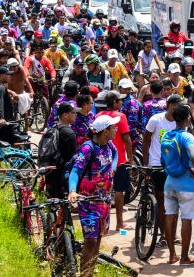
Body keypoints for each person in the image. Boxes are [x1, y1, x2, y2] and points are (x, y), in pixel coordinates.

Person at [67, 115, 119, 277]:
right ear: (105, 131)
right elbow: (76, 171)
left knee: (99, 237)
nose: (116, 129)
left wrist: (113, 169)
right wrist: (72, 191)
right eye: (113, 128)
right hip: (88, 202)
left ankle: (90, 271)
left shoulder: (109, 145)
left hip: (104, 201)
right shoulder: (88, 148)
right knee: (90, 241)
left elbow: (116, 154)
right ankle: (84, 274)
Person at [161, 103, 194, 264]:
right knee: (186, 219)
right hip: (186, 184)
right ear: (186, 119)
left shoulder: (166, 135)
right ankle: (184, 256)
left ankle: (172, 255)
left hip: (169, 183)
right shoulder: (187, 136)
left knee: (170, 217)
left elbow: (163, 160)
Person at [143, 94, 182, 244]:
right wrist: (146, 163)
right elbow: (146, 140)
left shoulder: (180, 122)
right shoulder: (156, 120)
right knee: (161, 202)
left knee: (175, 202)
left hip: (174, 167)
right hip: (156, 165)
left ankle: (173, 232)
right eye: (177, 105)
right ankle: (163, 233)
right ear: (170, 105)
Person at [96, 91, 134, 234]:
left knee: (102, 191)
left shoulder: (99, 115)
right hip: (119, 161)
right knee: (119, 191)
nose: (122, 103)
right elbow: (127, 139)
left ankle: (102, 225)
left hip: (102, 160)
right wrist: (130, 158)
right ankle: (120, 223)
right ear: (114, 102)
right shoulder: (121, 116)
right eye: (119, 100)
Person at [44, 101, 78, 199]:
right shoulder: (69, 133)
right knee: (63, 207)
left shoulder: (52, 128)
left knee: (52, 204)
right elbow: (72, 157)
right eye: (73, 112)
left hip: (50, 173)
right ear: (65, 115)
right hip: (62, 175)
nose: (75, 115)